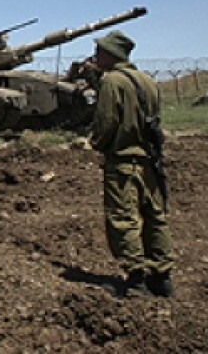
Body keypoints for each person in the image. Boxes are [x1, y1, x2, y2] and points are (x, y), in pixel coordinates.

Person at [87, 30, 174, 298]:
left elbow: (106, 122)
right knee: (155, 217)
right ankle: (161, 277)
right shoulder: (147, 80)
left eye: (100, 51)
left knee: (123, 218)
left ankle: (135, 280)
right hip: (149, 160)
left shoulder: (112, 81)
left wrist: (97, 144)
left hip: (123, 160)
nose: (95, 55)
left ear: (111, 54)